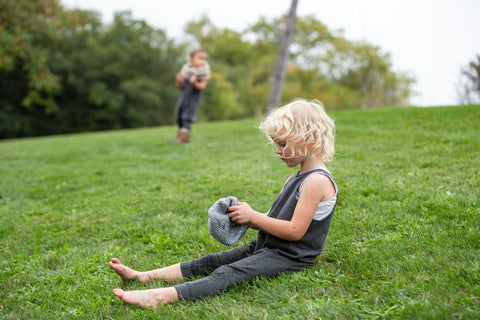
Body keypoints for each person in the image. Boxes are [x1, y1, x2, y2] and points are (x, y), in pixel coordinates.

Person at [110, 99, 338, 309]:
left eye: (282, 143)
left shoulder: (317, 181)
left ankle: (160, 296)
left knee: (229, 273)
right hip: (269, 247)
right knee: (211, 261)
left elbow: (295, 231)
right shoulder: (296, 177)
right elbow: (273, 220)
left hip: (290, 257)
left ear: (308, 138)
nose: (277, 151)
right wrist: (244, 217)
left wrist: (254, 217)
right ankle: (143, 277)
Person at [174, 49, 210, 144]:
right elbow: (179, 87)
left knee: (187, 116)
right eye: (200, 58)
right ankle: (180, 136)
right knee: (179, 114)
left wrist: (195, 82)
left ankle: (184, 138)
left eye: (205, 59)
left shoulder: (203, 73)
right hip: (183, 98)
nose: (203, 61)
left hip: (192, 99)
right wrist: (179, 80)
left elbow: (202, 86)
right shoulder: (186, 70)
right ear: (191, 60)